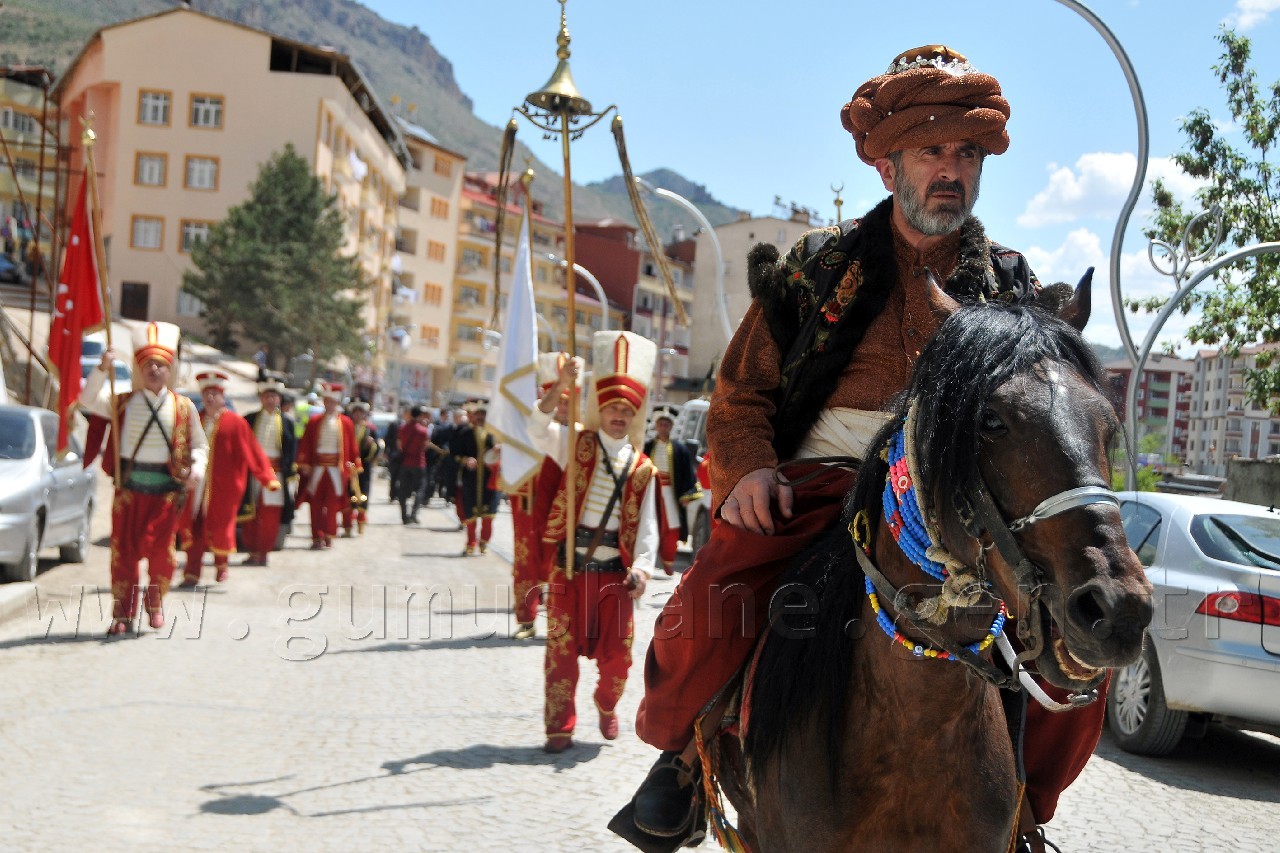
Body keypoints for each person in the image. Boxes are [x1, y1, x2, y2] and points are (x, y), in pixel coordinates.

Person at [623, 46, 1091, 851]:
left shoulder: (1010, 284)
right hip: (824, 483)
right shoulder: (816, 267)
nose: (951, 169)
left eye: (966, 154)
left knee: (1078, 632)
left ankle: (1025, 807)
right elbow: (740, 391)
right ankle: (682, 755)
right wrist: (747, 471)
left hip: (955, 494)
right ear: (888, 168)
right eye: (931, 151)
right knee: (718, 591)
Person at [531, 331, 664, 753]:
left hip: (613, 578)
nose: (619, 415)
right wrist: (561, 387)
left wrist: (642, 568)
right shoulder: (574, 442)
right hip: (569, 569)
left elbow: (648, 527)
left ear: (634, 414)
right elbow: (536, 429)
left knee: (619, 662)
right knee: (560, 654)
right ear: (600, 409)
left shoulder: (644, 468)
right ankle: (560, 726)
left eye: (627, 409)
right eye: (612, 408)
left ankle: (607, 706)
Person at [79, 322, 208, 634]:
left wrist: (197, 468)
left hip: (166, 493)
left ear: (170, 370)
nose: (155, 369)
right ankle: (122, 616)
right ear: (139, 367)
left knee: (162, 556)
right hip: (129, 491)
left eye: (161, 364)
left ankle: (155, 603)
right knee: (123, 555)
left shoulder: (184, 406)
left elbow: (201, 445)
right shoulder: (120, 401)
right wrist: (101, 369)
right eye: (149, 363)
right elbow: (85, 401)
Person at [177, 370, 279, 586]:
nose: (210, 397)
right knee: (194, 525)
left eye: (214, 393)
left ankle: (221, 565)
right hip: (197, 484)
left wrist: (267, 477)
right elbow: (183, 447)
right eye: (206, 393)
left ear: (223, 396)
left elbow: (252, 451)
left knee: (220, 525)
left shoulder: (236, 423)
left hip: (224, 487)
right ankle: (191, 572)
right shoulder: (195, 419)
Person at [509, 352, 582, 641]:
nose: (563, 407)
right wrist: (561, 383)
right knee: (528, 563)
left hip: (567, 511)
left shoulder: (584, 434)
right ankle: (526, 619)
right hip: (534, 507)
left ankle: (560, 619)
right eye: (558, 400)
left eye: (568, 400)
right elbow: (539, 421)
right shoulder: (540, 428)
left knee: (563, 566)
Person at [295, 383, 360, 550]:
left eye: (332, 401)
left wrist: (353, 466)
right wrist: (305, 463)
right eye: (327, 401)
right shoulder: (314, 421)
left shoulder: (346, 423)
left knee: (332, 504)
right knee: (315, 503)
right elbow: (306, 444)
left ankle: (329, 534)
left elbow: (352, 446)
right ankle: (316, 536)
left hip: (336, 469)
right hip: (317, 468)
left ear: (337, 403)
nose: (329, 404)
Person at [241, 380, 297, 566]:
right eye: (267, 396)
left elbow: (290, 451)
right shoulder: (249, 419)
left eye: (274, 396)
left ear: (279, 399)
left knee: (271, 515)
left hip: (276, 474)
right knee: (251, 512)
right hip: (253, 474)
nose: (271, 400)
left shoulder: (287, 423)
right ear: (261, 398)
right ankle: (252, 550)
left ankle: (264, 551)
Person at [643, 408, 703, 571]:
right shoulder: (647, 447)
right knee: (648, 523)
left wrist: (687, 496)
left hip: (671, 493)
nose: (663, 427)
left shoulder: (680, 449)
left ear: (671, 426)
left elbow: (688, 473)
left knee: (672, 526)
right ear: (656, 426)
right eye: (660, 424)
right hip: (650, 491)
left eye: (666, 424)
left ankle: (668, 560)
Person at [449, 401, 499, 555]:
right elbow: (454, 454)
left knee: (488, 514)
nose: (480, 418)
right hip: (470, 479)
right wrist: (466, 460)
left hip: (490, 479)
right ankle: (471, 543)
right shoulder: (464, 433)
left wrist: (499, 449)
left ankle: (484, 542)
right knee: (470, 514)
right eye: (478, 415)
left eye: (483, 415)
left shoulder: (495, 435)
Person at [341, 400, 382, 536]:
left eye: (361, 412)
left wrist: (372, 445)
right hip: (349, 466)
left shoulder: (371, 429)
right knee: (348, 494)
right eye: (356, 412)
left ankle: (361, 521)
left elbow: (378, 448)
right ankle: (347, 525)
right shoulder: (346, 427)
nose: (358, 415)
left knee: (363, 494)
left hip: (364, 467)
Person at [395, 405, 430, 524]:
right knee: (420, 489)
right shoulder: (423, 430)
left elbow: (399, 445)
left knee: (403, 490)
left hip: (405, 462)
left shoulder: (402, 428)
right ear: (420, 415)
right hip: (419, 463)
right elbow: (425, 446)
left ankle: (404, 516)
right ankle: (414, 514)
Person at [385, 404, 410, 503]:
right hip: (394, 455)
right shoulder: (394, 424)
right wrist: (388, 451)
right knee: (394, 476)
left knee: (403, 477)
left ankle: (401, 495)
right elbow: (388, 438)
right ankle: (392, 495)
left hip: (406, 456)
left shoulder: (410, 426)